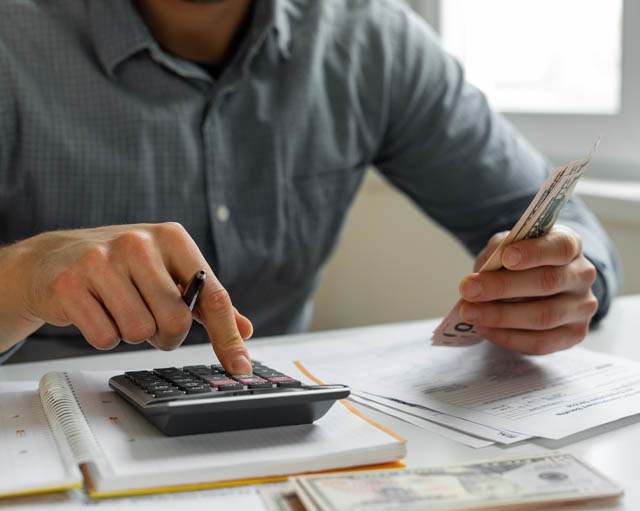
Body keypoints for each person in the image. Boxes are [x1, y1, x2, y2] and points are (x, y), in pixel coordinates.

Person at [0, 0, 621, 371]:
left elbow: (570, 232)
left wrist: (556, 277)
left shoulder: (372, 40)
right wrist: (21, 278)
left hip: (282, 437)